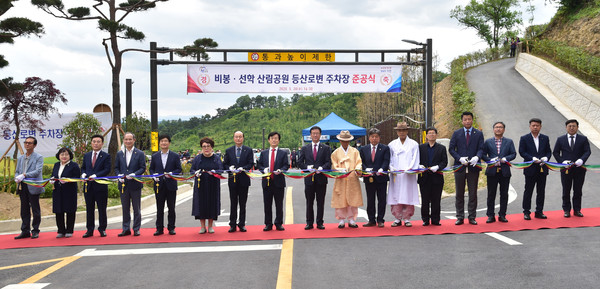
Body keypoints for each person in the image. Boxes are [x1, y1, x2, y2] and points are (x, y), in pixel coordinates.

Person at [449, 111, 484, 225]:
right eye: (465, 119)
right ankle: (460, 216)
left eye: (469, 119)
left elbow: (481, 148)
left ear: (472, 120)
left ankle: (472, 216)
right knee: (459, 193)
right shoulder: (456, 133)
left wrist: (477, 157)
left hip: (473, 167)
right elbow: (451, 149)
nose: (467, 121)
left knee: (473, 193)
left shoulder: (478, 133)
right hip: (460, 167)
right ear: (462, 120)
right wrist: (459, 158)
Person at [553, 119, 591, 218]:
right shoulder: (561, 139)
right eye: (569, 126)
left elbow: (587, 151)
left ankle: (577, 210)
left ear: (577, 127)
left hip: (579, 168)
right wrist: (562, 161)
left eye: (574, 126)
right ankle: (566, 210)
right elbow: (556, 152)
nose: (571, 128)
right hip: (566, 169)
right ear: (566, 127)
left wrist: (582, 160)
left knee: (578, 190)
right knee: (566, 190)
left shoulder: (583, 139)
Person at [298, 126, 332, 230]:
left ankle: (320, 222)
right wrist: (307, 168)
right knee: (309, 202)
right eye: (313, 133)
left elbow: (329, 162)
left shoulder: (326, 148)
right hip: (309, 179)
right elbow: (299, 162)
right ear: (310, 135)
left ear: (320, 135)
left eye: (317, 133)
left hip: (321, 178)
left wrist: (322, 168)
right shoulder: (305, 148)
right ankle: (309, 222)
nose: (315, 135)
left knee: (320, 202)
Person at [481, 122, 516, 223]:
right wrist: (490, 160)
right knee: (491, 194)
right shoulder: (488, 142)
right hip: (492, 171)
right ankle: (490, 215)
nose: (498, 129)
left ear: (504, 129)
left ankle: (502, 215)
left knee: (504, 194)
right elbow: (483, 154)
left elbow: (513, 153)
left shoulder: (509, 142)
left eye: (500, 127)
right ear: (493, 129)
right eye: (496, 127)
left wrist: (506, 158)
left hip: (504, 171)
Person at [518, 118, 552, 220]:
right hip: (530, 168)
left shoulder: (545, 138)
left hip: (542, 168)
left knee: (541, 191)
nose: (535, 127)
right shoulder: (524, 138)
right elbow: (522, 152)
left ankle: (539, 211)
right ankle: (526, 211)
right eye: (533, 125)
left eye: (537, 125)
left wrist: (546, 158)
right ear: (530, 126)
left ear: (540, 127)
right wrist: (532, 158)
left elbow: (548, 151)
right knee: (528, 190)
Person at [387, 122, 420, 227]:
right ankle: (397, 217)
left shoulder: (414, 144)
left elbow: (415, 158)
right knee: (396, 195)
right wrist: (392, 168)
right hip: (396, 174)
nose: (402, 132)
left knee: (408, 194)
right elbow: (390, 158)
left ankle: (406, 218)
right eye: (399, 130)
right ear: (397, 131)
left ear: (407, 131)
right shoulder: (392, 145)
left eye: (404, 130)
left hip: (408, 174)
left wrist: (410, 168)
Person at [149, 134, 182, 236]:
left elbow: (179, 169)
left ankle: (171, 228)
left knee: (171, 207)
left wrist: (172, 174)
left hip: (171, 184)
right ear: (159, 143)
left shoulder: (175, 156)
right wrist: (153, 175)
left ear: (169, 143)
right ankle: (159, 228)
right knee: (159, 208)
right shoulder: (155, 156)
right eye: (162, 141)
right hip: (159, 185)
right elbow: (151, 168)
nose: (164, 143)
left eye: (166, 141)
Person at [114, 132, 147, 237]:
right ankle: (126, 228)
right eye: (126, 139)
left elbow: (142, 167)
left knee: (136, 208)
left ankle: (136, 228)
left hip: (135, 184)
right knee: (125, 208)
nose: (128, 141)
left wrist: (135, 174)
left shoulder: (140, 153)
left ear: (134, 140)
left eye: (130, 139)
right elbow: (116, 168)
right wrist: (119, 175)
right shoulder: (119, 153)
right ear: (123, 140)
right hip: (123, 185)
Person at [256, 132, 289, 231]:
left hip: (279, 182)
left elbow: (286, 166)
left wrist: (281, 170)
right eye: (272, 138)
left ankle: (278, 223)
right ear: (268, 140)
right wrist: (263, 170)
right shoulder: (264, 153)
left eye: (276, 138)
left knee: (279, 204)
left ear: (279, 140)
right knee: (267, 204)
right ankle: (268, 224)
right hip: (267, 182)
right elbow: (259, 165)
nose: (274, 140)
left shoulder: (283, 153)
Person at [223, 131, 254, 233]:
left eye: (240, 137)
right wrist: (229, 168)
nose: (238, 139)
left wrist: (243, 168)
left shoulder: (248, 150)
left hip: (244, 180)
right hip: (232, 180)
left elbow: (250, 163)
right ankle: (232, 224)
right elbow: (224, 165)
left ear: (243, 138)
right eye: (236, 137)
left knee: (242, 203)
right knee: (233, 203)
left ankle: (241, 224)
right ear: (233, 138)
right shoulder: (229, 150)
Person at [330, 130, 363, 229]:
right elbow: (334, 165)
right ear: (340, 141)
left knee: (352, 198)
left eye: (347, 140)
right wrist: (340, 170)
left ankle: (351, 219)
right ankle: (341, 219)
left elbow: (359, 162)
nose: (345, 142)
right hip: (341, 178)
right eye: (343, 140)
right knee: (340, 199)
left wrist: (357, 169)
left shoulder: (355, 151)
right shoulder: (335, 153)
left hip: (352, 178)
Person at [13, 137, 44, 239]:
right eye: (26, 143)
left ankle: (35, 230)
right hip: (23, 186)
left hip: (33, 185)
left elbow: (37, 171)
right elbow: (17, 171)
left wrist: (25, 175)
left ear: (34, 145)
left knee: (35, 209)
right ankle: (25, 230)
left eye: (30, 143)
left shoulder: (38, 157)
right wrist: (17, 177)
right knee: (24, 209)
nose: (27, 145)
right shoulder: (21, 158)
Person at [190, 137, 223, 234]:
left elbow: (221, 169)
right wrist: (195, 172)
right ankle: (202, 226)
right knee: (201, 204)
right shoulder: (197, 158)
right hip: (201, 185)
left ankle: (210, 226)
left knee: (212, 204)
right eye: (204, 146)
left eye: (208, 146)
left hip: (213, 184)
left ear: (212, 147)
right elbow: (192, 169)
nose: (206, 148)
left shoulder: (216, 158)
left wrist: (215, 172)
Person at [81, 134, 111, 238]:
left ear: (102, 144)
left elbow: (107, 169)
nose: (96, 143)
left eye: (98, 142)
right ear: (91, 143)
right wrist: (83, 174)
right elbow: (83, 167)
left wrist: (96, 175)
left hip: (100, 186)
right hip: (88, 186)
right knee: (89, 209)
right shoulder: (87, 155)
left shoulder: (106, 156)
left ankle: (102, 229)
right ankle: (89, 229)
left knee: (102, 208)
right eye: (94, 141)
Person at [359, 128, 390, 227]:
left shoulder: (385, 148)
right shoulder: (364, 149)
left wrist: (382, 169)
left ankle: (380, 219)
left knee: (382, 199)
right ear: (369, 138)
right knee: (370, 199)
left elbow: (386, 161)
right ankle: (371, 220)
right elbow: (361, 161)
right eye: (372, 137)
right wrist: (365, 169)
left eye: (376, 137)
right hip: (369, 178)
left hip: (381, 177)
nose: (374, 139)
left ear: (379, 138)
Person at [417, 127, 448, 226]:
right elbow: (417, 160)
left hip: (437, 177)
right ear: (426, 135)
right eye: (429, 133)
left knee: (436, 200)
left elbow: (445, 162)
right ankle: (425, 219)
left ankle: (435, 219)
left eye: (433, 133)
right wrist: (419, 166)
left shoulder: (441, 148)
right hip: (424, 177)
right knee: (425, 200)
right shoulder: (421, 147)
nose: (431, 135)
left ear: (436, 135)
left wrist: (438, 167)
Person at [51, 147, 80, 238]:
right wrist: (52, 179)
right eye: (62, 154)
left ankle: (69, 230)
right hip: (57, 191)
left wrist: (68, 180)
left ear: (70, 156)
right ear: (59, 156)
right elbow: (54, 175)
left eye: (66, 155)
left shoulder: (73, 165)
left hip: (69, 191)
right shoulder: (56, 165)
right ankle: (61, 230)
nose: (64, 156)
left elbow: (77, 177)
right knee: (58, 210)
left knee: (70, 210)